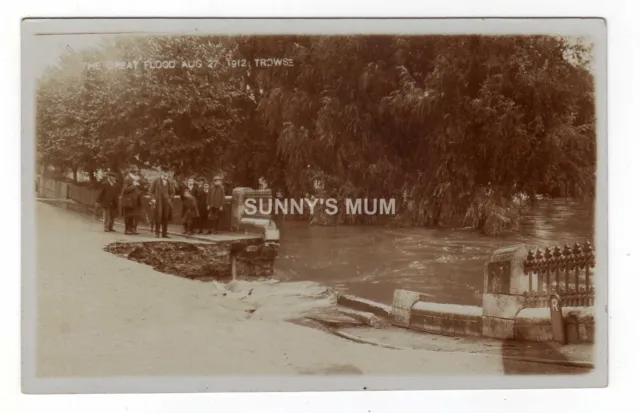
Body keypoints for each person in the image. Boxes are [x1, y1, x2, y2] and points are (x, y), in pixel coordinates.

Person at [148, 167, 175, 238]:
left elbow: (172, 192)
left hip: (167, 202)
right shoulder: (156, 181)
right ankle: (157, 233)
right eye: (164, 172)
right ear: (161, 173)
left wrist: (170, 198)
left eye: (167, 172)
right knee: (158, 217)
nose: (165, 174)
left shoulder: (170, 182)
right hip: (158, 202)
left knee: (165, 217)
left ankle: (164, 233)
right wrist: (153, 199)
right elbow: (150, 192)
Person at [120, 165, 143, 235]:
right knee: (128, 215)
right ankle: (127, 230)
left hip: (135, 200)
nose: (137, 173)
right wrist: (134, 185)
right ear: (132, 172)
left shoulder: (134, 179)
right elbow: (125, 190)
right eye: (136, 172)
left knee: (134, 215)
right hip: (129, 200)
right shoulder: (127, 178)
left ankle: (132, 229)